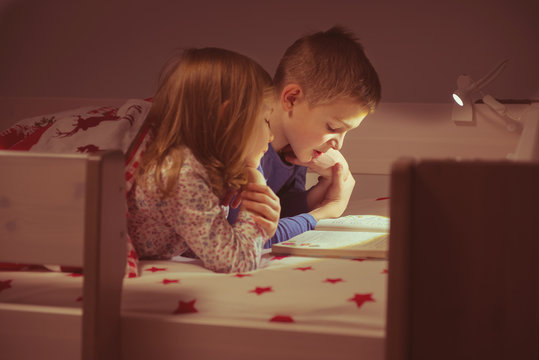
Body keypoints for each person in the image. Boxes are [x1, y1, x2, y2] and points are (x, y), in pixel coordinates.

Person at [127, 47, 280, 273]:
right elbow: (237, 261)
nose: (271, 136)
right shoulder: (181, 174)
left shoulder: (193, 165)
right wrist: (256, 215)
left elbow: (199, 242)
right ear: (229, 118)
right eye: (266, 120)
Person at [228, 26, 381, 247]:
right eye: (333, 126)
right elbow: (250, 236)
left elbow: (280, 211)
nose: (338, 144)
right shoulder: (248, 141)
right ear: (291, 98)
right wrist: (323, 214)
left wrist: (322, 191)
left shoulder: (295, 145)